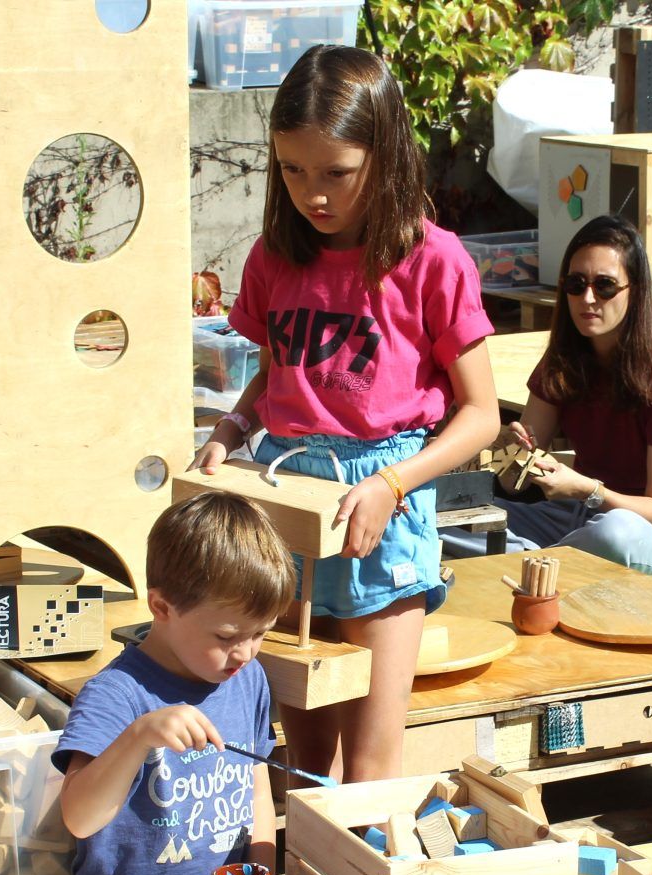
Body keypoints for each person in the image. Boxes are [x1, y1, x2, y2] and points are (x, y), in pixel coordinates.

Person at [192, 45, 499, 783]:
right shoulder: (273, 257)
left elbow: (482, 415)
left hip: (383, 514)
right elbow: (278, 373)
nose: (312, 194)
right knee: (302, 758)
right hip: (289, 502)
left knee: (368, 767)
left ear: (385, 157)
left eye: (336, 173)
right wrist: (231, 430)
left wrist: (393, 484)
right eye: (292, 170)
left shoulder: (434, 260)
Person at [54, 491, 293, 875]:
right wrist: (139, 736)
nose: (244, 652)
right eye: (225, 636)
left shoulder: (248, 678)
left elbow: (257, 788)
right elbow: (79, 817)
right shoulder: (116, 696)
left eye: (260, 633)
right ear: (162, 607)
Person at [440, 216, 652, 577]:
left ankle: (535, 566)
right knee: (438, 517)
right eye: (575, 283)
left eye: (605, 286)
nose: (588, 298)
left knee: (615, 532)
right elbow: (512, 481)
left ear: (637, 290)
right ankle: (546, 566)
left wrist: (586, 489)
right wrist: (512, 453)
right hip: (576, 520)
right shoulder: (564, 361)